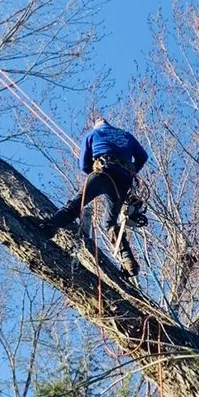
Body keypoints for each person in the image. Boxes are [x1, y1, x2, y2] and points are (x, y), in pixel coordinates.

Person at [32, 117, 148, 278]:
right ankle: (127, 260)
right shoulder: (126, 135)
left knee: (76, 204)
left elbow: (84, 165)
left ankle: (50, 226)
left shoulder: (93, 134)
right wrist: (131, 170)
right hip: (124, 179)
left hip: (103, 172)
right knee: (109, 223)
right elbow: (143, 156)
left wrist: (94, 172)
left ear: (97, 124)